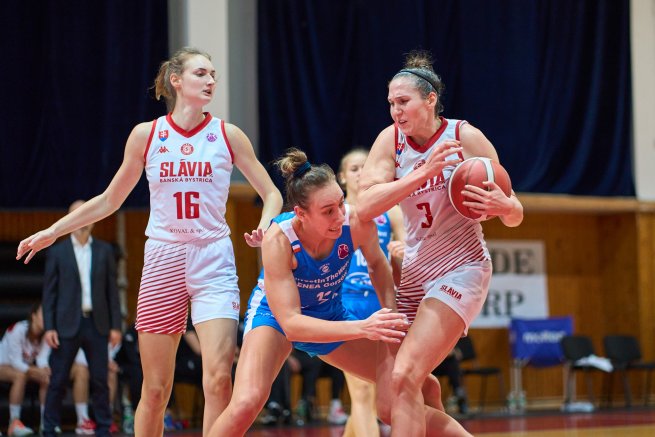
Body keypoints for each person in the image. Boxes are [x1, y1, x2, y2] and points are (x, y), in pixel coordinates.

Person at [16, 47, 283, 437]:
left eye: (213, 75)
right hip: (164, 257)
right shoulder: (148, 134)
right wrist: (52, 231)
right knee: (155, 390)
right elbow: (109, 200)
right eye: (201, 74)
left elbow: (271, 192)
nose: (211, 81)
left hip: (214, 259)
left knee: (219, 380)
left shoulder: (228, 135)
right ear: (176, 80)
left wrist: (263, 225)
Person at [207, 148, 463, 437]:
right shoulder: (279, 240)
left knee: (426, 386)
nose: (339, 215)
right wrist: (362, 327)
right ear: (300, 214)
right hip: (276, 317)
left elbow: (379, 267)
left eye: (340, 204)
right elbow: (292, 324)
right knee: (246, 402)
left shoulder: (355, 222)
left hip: (328, 313)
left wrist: (391, 314)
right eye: (328, 211)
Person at [357, 50, 524, 435]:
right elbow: (364, 206)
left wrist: (505, 205)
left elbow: (515, 213)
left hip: (461, 267)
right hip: (414, 272)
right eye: (390, 103)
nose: (395, 111)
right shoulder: (391, 141)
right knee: (390, 403)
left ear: (429, 99)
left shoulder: (465, 136)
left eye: (403, 102)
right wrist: (423, 172)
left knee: (405, 377)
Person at [32, 199, 122, 437]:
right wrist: (49, 326)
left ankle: (104, 427)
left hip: (97, 323)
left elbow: (111, 291)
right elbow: (49, 293)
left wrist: (116, 326)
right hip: (66, 325)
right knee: (58, 379)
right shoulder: (58, 251)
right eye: (77, 215)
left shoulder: (104, 251)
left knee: (101, 379)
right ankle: (49, 428)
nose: (82, 220)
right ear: (69, 221)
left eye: (86, 214)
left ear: (93, 219)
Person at [337, 148, 405, 437]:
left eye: (366, 167)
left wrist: (402, 255)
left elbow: (411, 251)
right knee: (362, 391)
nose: (361, 172)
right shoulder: (335, 212)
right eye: (354, 168)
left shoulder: (391, 211)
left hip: (383, 302)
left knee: (376, 393)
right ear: (341, 177)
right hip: (346, 304)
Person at [0, 304, 49, 436]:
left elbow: (42, 359)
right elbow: (16, 362)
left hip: (21, 368)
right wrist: (37, 370)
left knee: (46, 378)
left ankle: (46, 423)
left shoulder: (46, 335)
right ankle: (14, 423)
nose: (47, 317)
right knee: (20, 375)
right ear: (33, 316)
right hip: (3, 364)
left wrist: (45, 369)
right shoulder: (17, 330)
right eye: (43, 313)